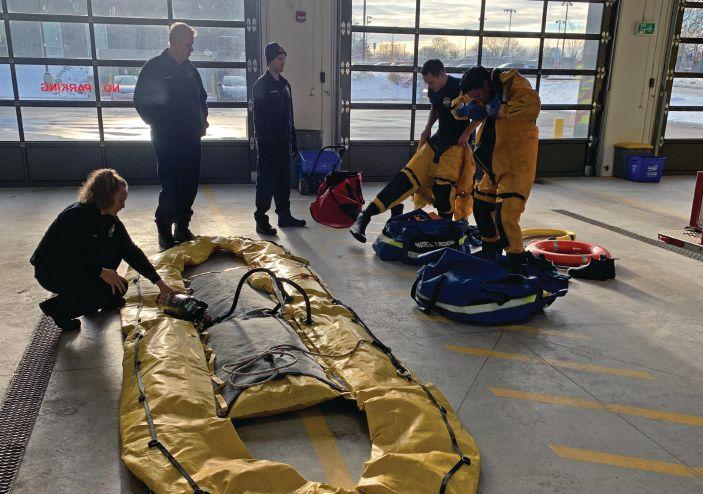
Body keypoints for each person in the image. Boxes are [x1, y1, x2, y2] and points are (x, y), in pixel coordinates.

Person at [30, 169, 177, 331]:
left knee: (120, 286)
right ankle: (58, 309)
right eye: (120, 200)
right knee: (100, 294)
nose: (123, 205)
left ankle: (97, 297)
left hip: (81, 265)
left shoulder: (109, 218)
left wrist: (160, 283)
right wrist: (100, 271)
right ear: (107, 196)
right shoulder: (76, 216)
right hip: (53, 271)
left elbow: (129, 250)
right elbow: (68, 256)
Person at [349, 59, 476, 243]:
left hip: (457, 146)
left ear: (442, 74)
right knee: (406, 177)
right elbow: (436, 107)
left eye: (432, 82)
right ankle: (365, 217)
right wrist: (428, 127)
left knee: (443, 189)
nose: (430, 86)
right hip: (438, 140)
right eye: (427, 83)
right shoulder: (434, 89)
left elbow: (482, 112)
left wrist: (467, 133)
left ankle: (445, 230)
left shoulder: (461, 87)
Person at [452, 66, 540, 272]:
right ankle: (491, 252)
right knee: (481, 207)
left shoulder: (514, 85)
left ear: (486, 85)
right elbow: (456, 105)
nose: (477, 100)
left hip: (517, 166)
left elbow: (533, 106)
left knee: (505, 217)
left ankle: (516, 264)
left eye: (478, 96)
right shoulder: (479, 91)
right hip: (493, 166)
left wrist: (495, 110)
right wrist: (464, 109)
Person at [134, 22, 208, 250]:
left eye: (192, 46)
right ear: (174, 43)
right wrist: (158, 123)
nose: (191, 50)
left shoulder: (191, 70)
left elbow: (202, 99)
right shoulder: (154, 67)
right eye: (188, 45)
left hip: (191, 138)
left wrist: (202, 122)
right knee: (172, 185)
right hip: (167, 139)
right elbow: (140, 100)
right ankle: (164, 231)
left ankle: (182, 227)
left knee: (189, 184)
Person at [252, 42, 306, 236]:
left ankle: (284, 215)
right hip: (268, 145)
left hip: (283, 143)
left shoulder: (285, 85)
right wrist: (266, 142)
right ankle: (261, 220)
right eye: (279, 59)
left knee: (283, 181)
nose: (283, 62)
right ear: (270, 61)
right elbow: (259, 119)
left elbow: (289, 115)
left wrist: (293, 139)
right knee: (266, 183)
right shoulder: (261, 85)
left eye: (284, 59)